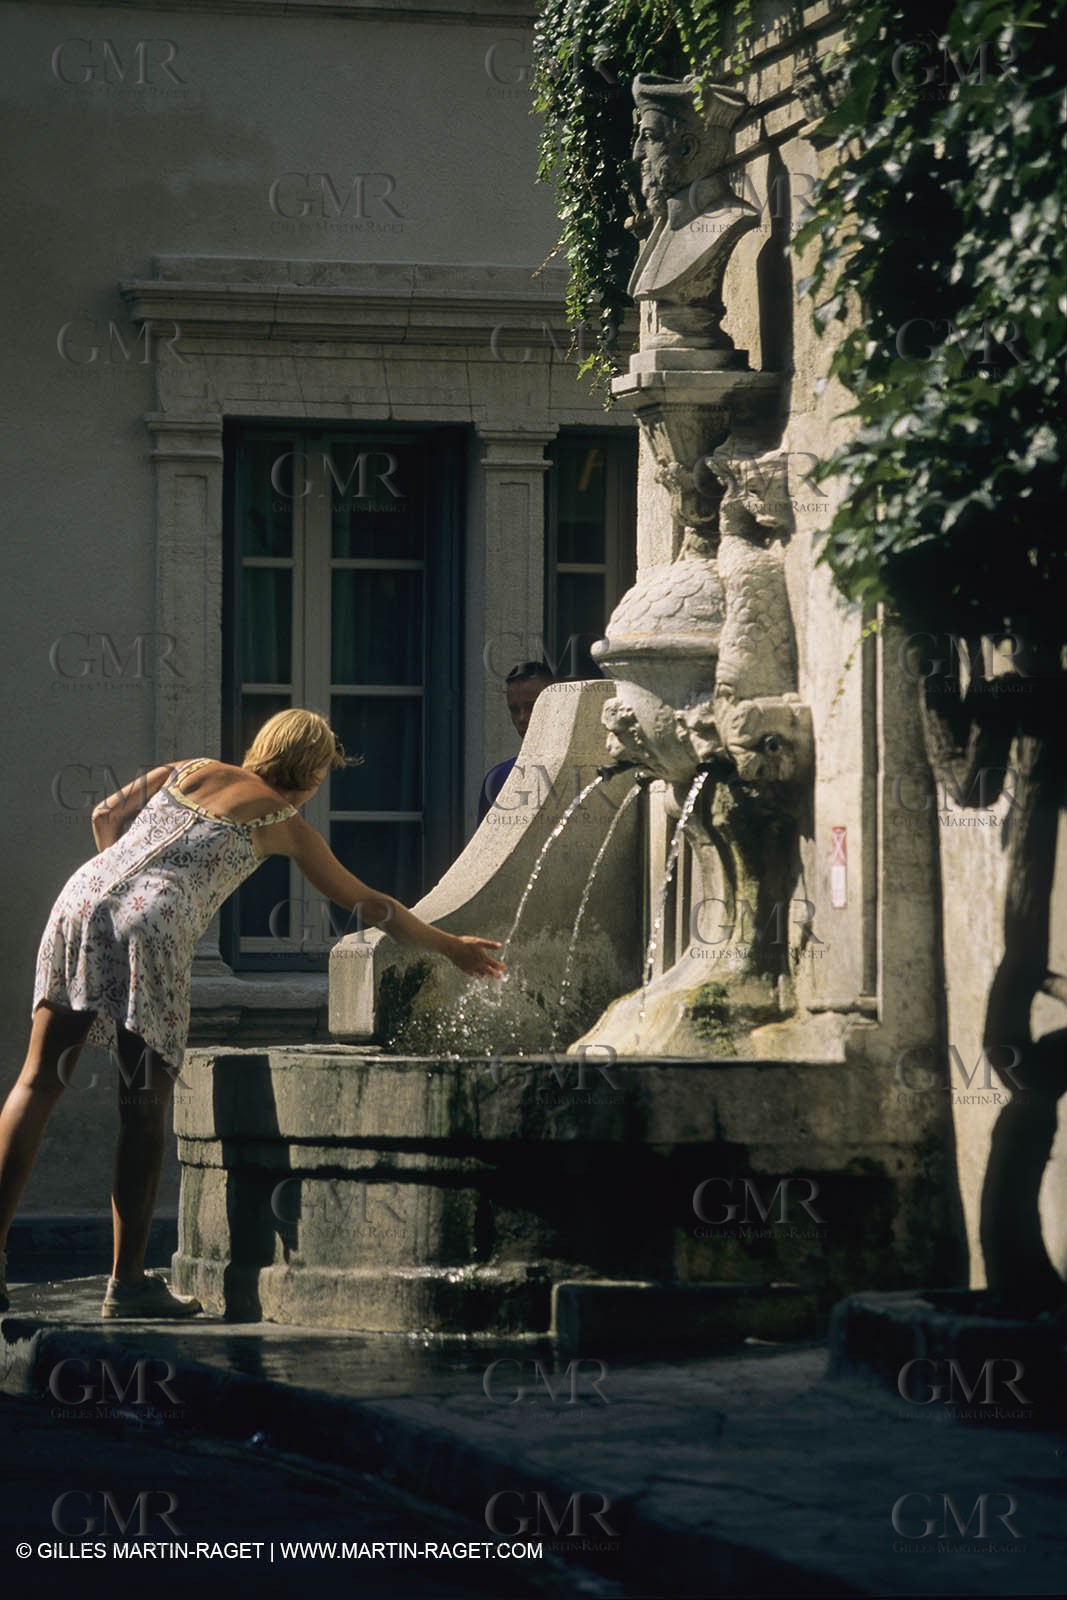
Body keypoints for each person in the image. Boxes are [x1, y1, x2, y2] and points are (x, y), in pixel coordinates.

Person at [0, 709, 505, 1320]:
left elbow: (104, 814)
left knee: (37, 1081)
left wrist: (117, 889)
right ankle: (127, 1285)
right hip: (151, 926)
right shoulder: (284, 822)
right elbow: (370, 904)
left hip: (80, 899)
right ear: (314, 771)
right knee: (141, 1110)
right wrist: (451, 946)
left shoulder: (190, 767)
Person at [477, 661, 555, 824]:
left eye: (531, 706)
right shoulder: (498, 778)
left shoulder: (582, 769)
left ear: (555, 705)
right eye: (514, 709)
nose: (522, 718)